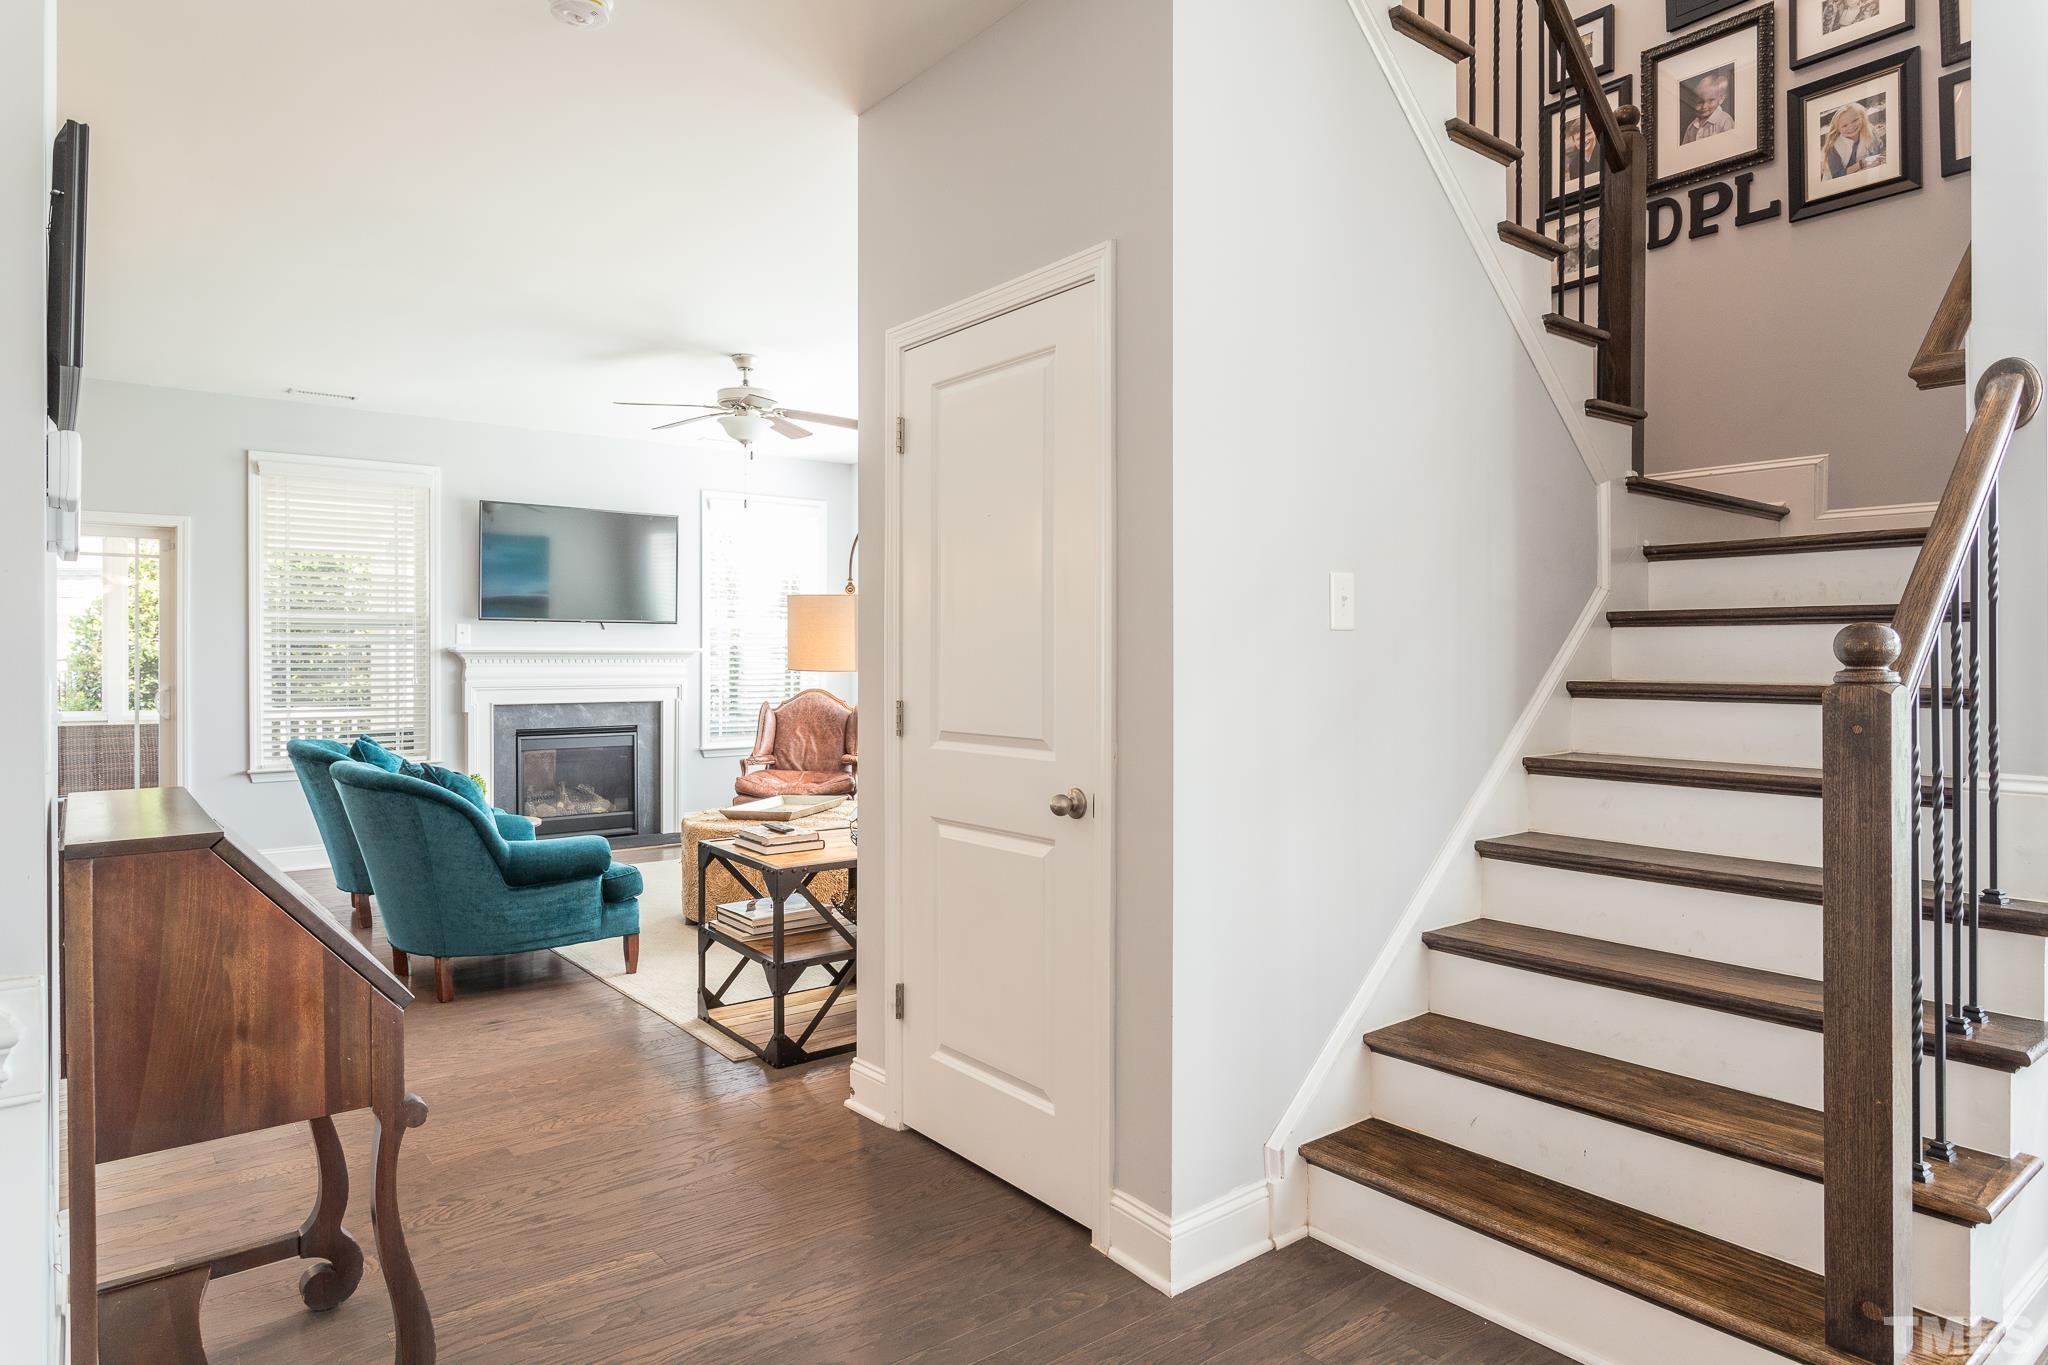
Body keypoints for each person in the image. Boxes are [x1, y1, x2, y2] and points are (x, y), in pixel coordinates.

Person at [1818, 99, 1885, 179]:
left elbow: (1876, 153)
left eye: (1855, 120)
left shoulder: (1869, 131)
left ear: (1862, 117)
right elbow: (1837, 175)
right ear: (1838, 129)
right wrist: (1861, 163)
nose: (1851, 127)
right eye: (1844, 125)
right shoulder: (1833, 147)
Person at [1681, 71, 1734, 144]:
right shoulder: (1691, 127)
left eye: (1711, 100)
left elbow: (1730, 145)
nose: (1704, 106)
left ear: (1721, 99)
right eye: (1700, 102)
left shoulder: (1725, 120)